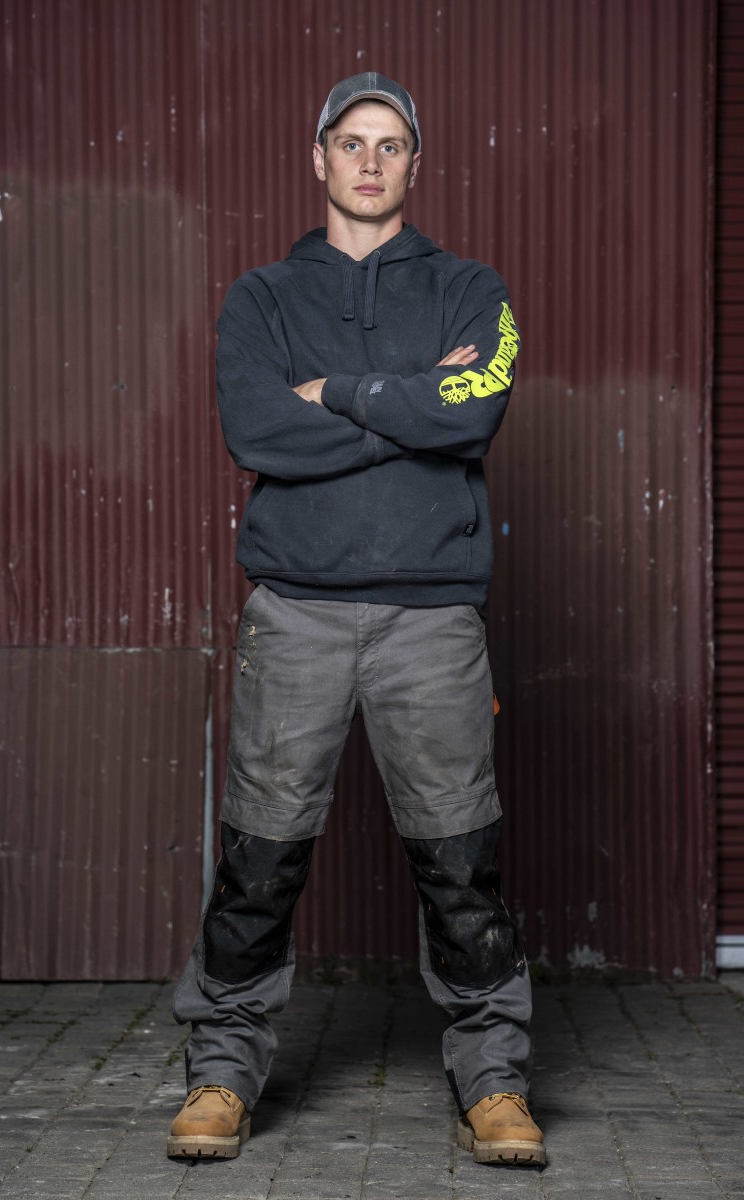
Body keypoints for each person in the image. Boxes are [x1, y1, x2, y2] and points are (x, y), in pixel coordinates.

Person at [167, 72, 545, 1170]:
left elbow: (476, 407)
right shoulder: (262, 298)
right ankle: (221, 1073)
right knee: (259, 858)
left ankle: (493, 1080)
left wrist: (333, 392)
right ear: (318, 158)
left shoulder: (471, 289)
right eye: (350, 141)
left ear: (415, 164)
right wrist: (412, 400)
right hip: (296, 615)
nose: (369, 161)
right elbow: (256, 432)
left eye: (390, 144)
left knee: (460, 862)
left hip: (432, 621)